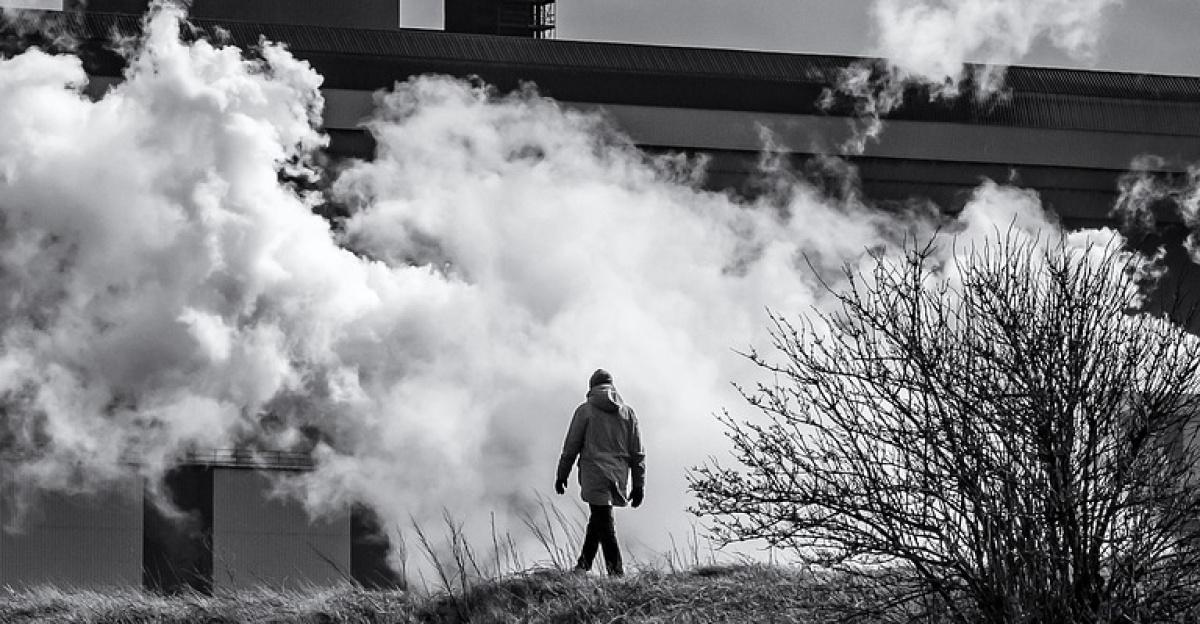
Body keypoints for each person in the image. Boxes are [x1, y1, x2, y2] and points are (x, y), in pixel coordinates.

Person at [555, 368, 645, 577]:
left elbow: (571, 445)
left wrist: (562, 474)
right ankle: (583, 566)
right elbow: (637, 452)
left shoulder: (585, 411)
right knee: (600, 518)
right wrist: (639, 484)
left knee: (604, 523)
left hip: (593, 473)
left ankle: (616, 574)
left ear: (591, 388)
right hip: (617, 474)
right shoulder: (628, 413)